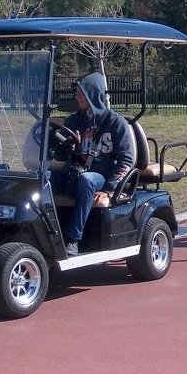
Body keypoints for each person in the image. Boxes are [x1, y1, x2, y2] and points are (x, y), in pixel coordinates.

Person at [53, 72, 135, 256]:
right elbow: (58, 155)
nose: (77, 96)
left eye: (81, 93)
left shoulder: (116, 122)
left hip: (100, 176)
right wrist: (67, 146)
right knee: (41, 177)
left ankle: (72, 239)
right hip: (74, 172)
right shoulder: (74, 120)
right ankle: (44, 233)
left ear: (92, 94)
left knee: (86, 180)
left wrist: (109, 188)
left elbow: (127, 159)